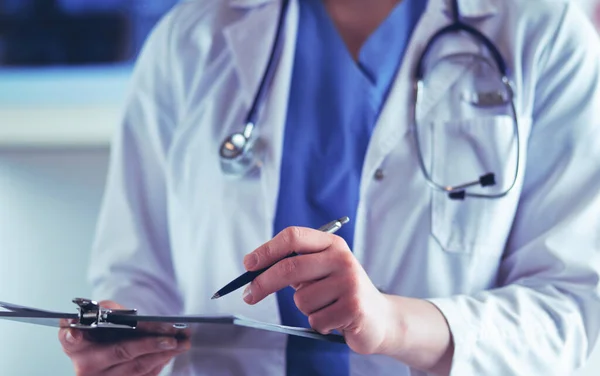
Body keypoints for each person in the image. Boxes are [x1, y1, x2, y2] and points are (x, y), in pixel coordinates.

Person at [58, 0, 600, 375]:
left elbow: (573, 311)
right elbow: (139, 273)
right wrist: (118, 338)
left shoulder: (543, 35)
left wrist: (394, 324)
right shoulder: (190, 40)